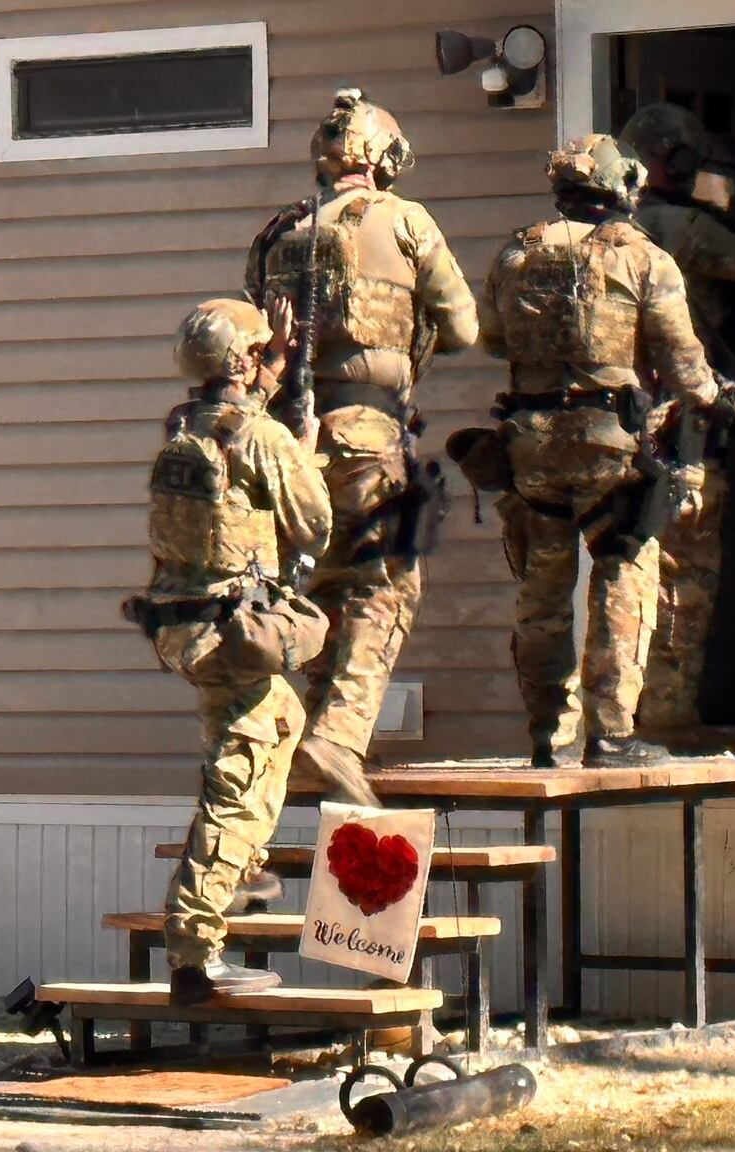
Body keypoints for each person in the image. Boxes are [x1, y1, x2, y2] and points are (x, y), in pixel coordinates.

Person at [246, 89, 480, 805]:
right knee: (388, 580)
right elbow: (463, 327)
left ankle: (311, 742)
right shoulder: (406, 220)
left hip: (293, 439)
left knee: (324, 585)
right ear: (380, 157)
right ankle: (340, 737)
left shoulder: (281, 231)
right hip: (368, 433)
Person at [478, 134, 721, 768]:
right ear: (622, 187)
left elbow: (494, 339)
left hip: (531, 445)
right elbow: (685, 367)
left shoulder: (516, 251)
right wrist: (707, 394)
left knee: (542, 590)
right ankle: (611, 733)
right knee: (623, 574)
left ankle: (547, 734)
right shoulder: (644, 257)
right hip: (609, 446)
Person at [127, 298, 333, 1004]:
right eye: (260, 350)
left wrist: (270, 371)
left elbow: (233, 440)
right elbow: (314, 525)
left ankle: (238, 870)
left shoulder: (183, 428)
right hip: (232, 631)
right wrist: (304, 450)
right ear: (241, 363)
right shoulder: (264, 439)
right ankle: (195, 952)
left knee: (279, 723)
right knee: (239, 780)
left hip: (186, 625)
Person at [618, 104, 735, 744]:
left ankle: (621, 717)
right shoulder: (679, 226)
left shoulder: (606, 234)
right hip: (684, 427)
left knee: (626, 571)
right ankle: (667, 716)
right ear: (674, 160)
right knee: (685, 572)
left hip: (619, 425)